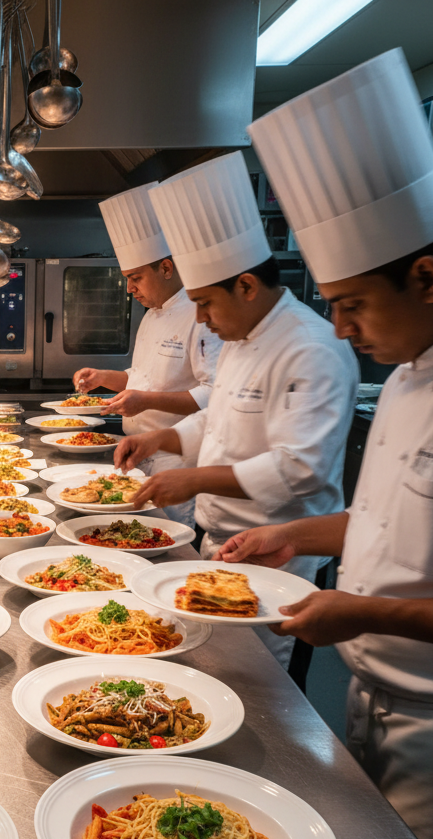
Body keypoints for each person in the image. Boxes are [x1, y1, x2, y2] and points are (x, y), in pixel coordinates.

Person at [216, 49, 433, 839]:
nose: (341, 329)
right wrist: (295, 535)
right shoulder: (411, 380)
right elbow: (376, 522)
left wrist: (363, 610)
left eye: (352, 305)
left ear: (428, 276)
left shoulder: (333, 356)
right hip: (368, 693)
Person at [114, 152, 359, 670]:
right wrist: (160, 440)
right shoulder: (244, 337)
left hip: (280, 560)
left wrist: (194, 479)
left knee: (265, 691)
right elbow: (216, 417)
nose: (199, 317)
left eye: (205, 302)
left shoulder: (310, 347)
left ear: (246, 285)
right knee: (213, 673)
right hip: (223, 545)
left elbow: (300, 468)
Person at [72, 182, 222, 527]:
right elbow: (143, 378)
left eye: (135, 277)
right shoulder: (152, 312)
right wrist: (104, 378)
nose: (129, 289)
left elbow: (213, 395)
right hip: (136, 450)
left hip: (174, 460)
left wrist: (146, 400)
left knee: (164, 540)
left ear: (166, 269)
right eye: (127, 278)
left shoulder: (200, 315)